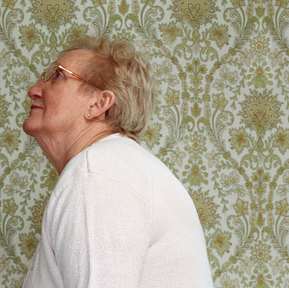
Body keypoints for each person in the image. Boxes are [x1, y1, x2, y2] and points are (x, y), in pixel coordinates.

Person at [22, 35, 213, 287]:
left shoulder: (97, 173)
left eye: (58, 76)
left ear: (99, 103)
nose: (33, 90)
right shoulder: (112, 166)